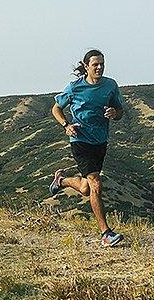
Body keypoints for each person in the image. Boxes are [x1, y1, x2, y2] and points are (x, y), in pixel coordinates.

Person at [49, 49, 125, 246]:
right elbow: (56, 108)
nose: (99, 67)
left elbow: (120, 112)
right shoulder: (75, 88)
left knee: (85, 188)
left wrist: (114, 112)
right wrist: (66, 125)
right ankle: (106, 234)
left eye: (102, 64)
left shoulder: (110, 85)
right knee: (96, 184)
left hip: (100, 141)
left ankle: (62, 181)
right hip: (80, 140)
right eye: (95, 64)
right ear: (86, 66)